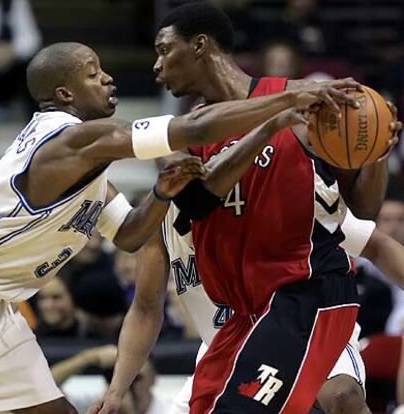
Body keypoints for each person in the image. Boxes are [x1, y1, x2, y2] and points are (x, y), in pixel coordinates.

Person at [0, 40, 358, 414]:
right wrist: (284, 103)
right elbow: (193, 127)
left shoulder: (88, 171)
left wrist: (160, 194)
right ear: (66, 93)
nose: (107, 78)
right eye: (93, 74)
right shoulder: (69, 139)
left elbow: (130, 233)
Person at [150, 3, 400, 413]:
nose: (157, 66)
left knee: (337, 398)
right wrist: (269, 124)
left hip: (303, 294)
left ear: (200, 46)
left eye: (164, 50)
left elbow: (365, 208)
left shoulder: (304, 101)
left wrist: (375, 150)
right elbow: (195, 201)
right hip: (241, 315)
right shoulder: (187, 132)